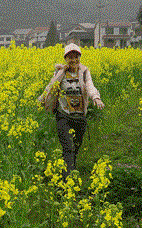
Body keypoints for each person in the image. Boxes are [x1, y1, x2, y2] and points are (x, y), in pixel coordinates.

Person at [38, 43, 105, 180]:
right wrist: (42, 99)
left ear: (79, 58)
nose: (73, 60)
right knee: (68, 147)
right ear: (65, 58)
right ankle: (67, 179)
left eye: (76, 57)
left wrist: (96, 98)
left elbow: (90, 86)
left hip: (80, 117)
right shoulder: (60, 72)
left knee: (76, 146)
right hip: (64, 116)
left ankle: (70, 168)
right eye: (70, 57)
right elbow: (51, 86)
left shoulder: (85, 72)